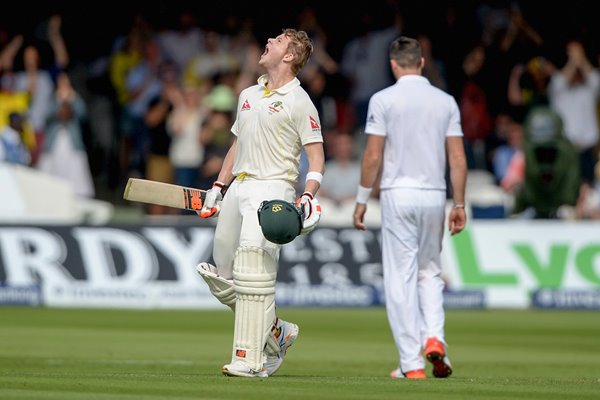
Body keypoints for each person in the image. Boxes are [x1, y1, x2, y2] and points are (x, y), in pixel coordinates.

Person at [195, 29, 325, 378]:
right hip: (239, 186)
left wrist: (309, 195)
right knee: (222, 275)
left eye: (279, 40)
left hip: (273, 190)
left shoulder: (300, 102)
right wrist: (219, 186)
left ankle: (249, 360)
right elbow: (237, 145)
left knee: (253, 269)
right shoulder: (248, 94)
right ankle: (277, 331)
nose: (269, 41)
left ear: (290, 56)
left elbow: (317, 158)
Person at [352, 36, 467, 379]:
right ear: (421, 62)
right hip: (434, 194)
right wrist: (458, 202)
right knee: (430, 271)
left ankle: (411, 363)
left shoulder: (383, 99)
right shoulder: (445, 101)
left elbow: (373, 155)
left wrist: (361, 199)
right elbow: (457, 158)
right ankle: (434, 336)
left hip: (397, 193)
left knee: (400, 278)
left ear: (393, 64)